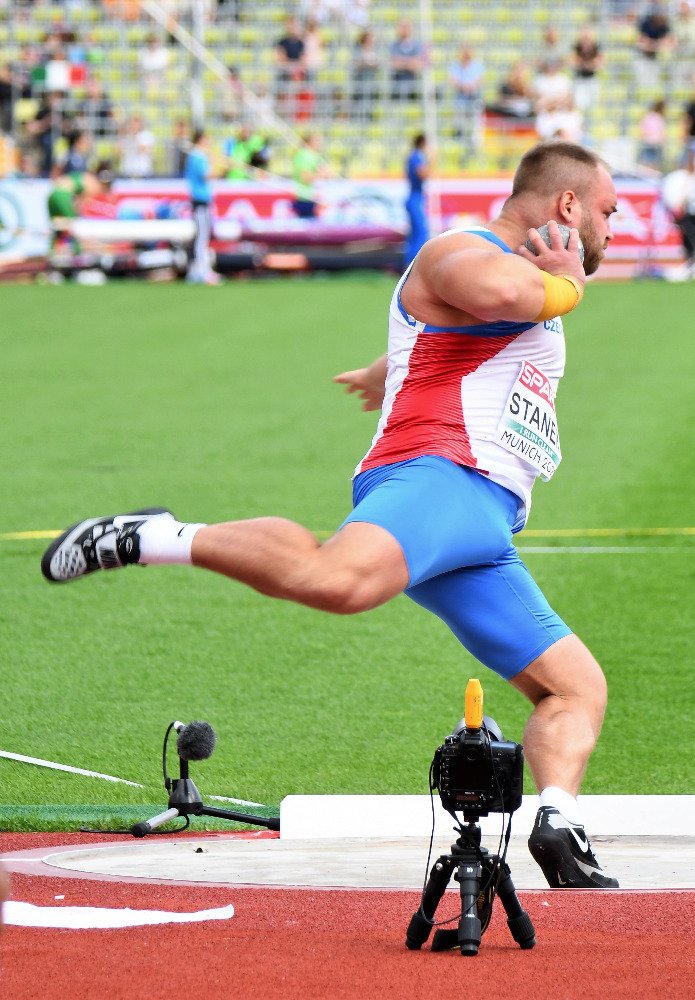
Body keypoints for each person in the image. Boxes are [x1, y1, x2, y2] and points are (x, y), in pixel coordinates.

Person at [41, 140, 620, 891]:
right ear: (567, 206)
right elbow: (500, 295)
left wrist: (392, 365)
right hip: (437, 477)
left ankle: (558, 820)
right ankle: (154, 535)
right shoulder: (462, 249)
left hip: (485, 523)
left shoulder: (523, 275)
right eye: (608, 209)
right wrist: (569, 284)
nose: (616, 224)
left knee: (575, 685)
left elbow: (467, 331)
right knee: (337, 582)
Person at [184, 128, 218, 285]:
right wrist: (220, 166)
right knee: (201, 237)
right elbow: (206, 174)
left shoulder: (196, 156)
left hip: (201, 200)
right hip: (200, 201)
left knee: (202, 236)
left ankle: (201, 270)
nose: (209, 142)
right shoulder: (198, 156)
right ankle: (201, 271)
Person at [403, 132, 430, 267]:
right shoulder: (417, 157)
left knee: (415, 234)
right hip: (415, 198)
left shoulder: (413, 156)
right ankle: (414, 265)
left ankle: (410, 264)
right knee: (420, 233)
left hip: (414, 197)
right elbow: (423, 175)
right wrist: (432, 161)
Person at [291, 132, 330, 218]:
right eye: (318, 141)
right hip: (304, 198)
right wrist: (321, 175)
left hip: (311, 197)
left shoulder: (313, 155)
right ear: (310, 142)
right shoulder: (304, 155)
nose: (321, 143)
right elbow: (305, 177)